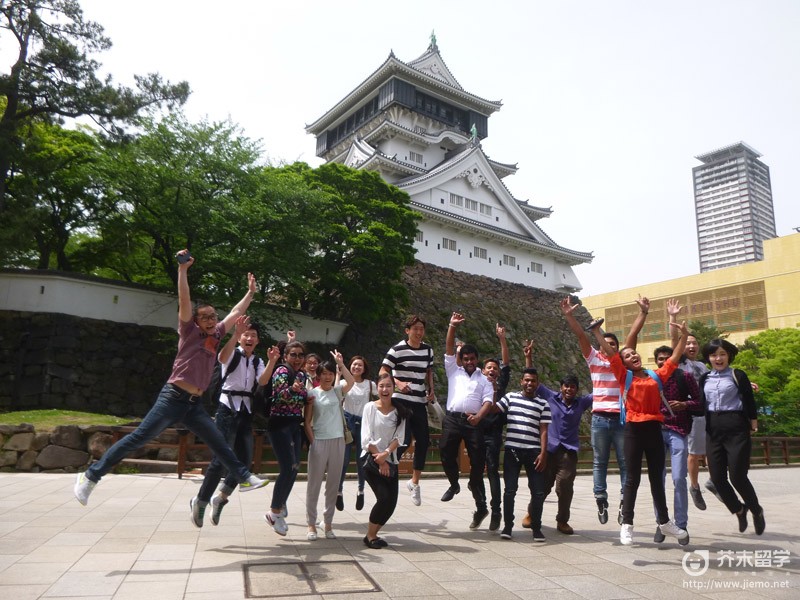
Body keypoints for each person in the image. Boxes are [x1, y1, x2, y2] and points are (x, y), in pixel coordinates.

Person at [74, 251, 268, 506]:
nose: (212, 320)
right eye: (206, 317)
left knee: (218, 442)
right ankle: (90, 476)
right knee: (139, 437)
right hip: (173, 397)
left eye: (213, 316)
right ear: (196, 321)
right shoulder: (189, 331)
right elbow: (184, 299)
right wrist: (183, 270)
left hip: (194, 404)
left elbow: (236, 310)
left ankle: (243, 476)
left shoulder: (219, 333)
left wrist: (251, 293)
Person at [594, 301, 690, 546]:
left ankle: (665, 522)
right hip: (633, 432)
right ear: (623, 363)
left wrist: (684, 336)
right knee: (632, 479)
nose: (632, 355)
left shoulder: (656, 375)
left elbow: (676, 356)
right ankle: (627, 524)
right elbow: (610, 352)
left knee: (657, 479)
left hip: (654, 431)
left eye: (633, 353)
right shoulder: (622, 376)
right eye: (627, 356)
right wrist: (596, 332)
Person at [191, 316, 282, 527]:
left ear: (258, 341)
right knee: (221, 458)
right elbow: (222, 357)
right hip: (227, 408)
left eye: (253, 336)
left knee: (244, 459)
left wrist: (271, 361)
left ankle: (220, 497)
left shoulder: (258, 360)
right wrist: (234, 333)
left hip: (246, 410)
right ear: (241, 337)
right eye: (246, 334)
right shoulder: (233, 353)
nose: (250, 338)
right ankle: (201, 499)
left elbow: (263, 381)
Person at [560, 296, 629, 526]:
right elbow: (581, 336)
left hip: (620, 418)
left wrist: (643, 314)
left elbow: (633, 338)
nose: (607, 346)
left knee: (624, 462)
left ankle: (624, 500)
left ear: (617, 348)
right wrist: (570, 315)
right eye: (604, 342)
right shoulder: (593, 359)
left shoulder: (621, 362)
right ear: (599, 346)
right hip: (600, 418)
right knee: (599, 461)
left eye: (612, 344)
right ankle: (601, 499)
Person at [700, 338, 765, 535]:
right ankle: (739, 509)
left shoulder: (738, 375)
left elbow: (749, 399)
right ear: (708, 358)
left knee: (737, 476)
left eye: (722, 354)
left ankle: (756, 510)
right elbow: (698, 402)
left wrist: (753, 423)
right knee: (717, 479)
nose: (718, 358)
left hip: (736, 427)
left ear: (728, 355)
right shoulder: (704, 378)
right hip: (713, 428)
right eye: (713, 355)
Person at [439, 312, 495, 529]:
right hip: (453, 419)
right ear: (461, 360)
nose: (469, 362)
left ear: (477, 359)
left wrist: (479, 417)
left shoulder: (484, 378)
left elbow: (489, 400)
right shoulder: (454, 371)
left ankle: (480, 504)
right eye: (466, 359)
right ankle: (454, 484)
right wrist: (452, 325)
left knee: (477, 462)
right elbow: (449, 347)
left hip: (474, 421)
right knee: (445, 449)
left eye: (472, 359)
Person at [379, 315, 435, 506]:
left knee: (424, 441)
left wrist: (432, 390)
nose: (419, 332)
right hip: (401, 400)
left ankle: (414, 482)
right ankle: (388, 470)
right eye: (415, 329)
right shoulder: (397, 349)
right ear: (407, 330)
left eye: (421, 329)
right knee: (402, 439)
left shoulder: (428, 350)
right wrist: (399, 383)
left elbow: (429, 371)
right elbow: (383, 371)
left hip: (419, 400)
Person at [650, 343, 701, 544]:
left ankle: (681, 524)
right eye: (660, 359)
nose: (663, 362)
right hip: (654, 432)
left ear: (674, 360)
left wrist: (684, 404)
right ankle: (662, 522)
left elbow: (699, 402)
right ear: (656, 362)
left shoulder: (684, 377)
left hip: (678, 431)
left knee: (679, 478)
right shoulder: (651, 378)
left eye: (667, 358)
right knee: (657, 479)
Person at [666, 300, 713, 510]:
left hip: (706, 412)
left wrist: (745, 384)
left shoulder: (702, 365)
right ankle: (694, 486)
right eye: (688, 343)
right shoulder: (679, 364)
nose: (691, 346)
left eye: (695, 343)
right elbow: (675, 338)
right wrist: (673, 318)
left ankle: (715, 481)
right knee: (694, 452)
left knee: (712, 449)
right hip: (689, 414)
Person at [495, 368, 551, 541]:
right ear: (521, 381)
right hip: (513, 450)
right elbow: (492, 409)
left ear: (537, 384)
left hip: (534, 452)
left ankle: (536, 527)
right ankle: (507, 527)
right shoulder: (510, 398)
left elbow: (544, 430)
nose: (529, 383)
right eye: (526, 380)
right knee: (510, 490)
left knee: (538, 492)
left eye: (533, 381)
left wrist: (543, 453)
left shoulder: (543, 404)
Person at [304, 350, 355, 540]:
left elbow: (351, 382)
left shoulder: (337, 391)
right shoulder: (312, 394)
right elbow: (307, 421)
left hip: (338, 441)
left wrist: (341, 364)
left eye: (330, 373)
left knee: (333, 484)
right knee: (314, 485)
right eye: (324, 373)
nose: (327, 377)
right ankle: (311, 524)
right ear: (318, 376)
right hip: (319, 441)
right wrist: (313, 442)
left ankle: (328, 523)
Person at [535, 375, 593, 535]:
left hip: (568, 452)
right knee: (543, 486)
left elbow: (599, 392)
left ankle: (562, 520)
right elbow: (535, 382)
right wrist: (528, 357)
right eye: (566, 386)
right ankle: (532, 513)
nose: (569, 389)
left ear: (577, 389)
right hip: (549, 450)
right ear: (561, 387)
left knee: (565, 487)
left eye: (572, 386)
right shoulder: (550, 397)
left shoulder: (581, 403)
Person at [264, 340, 309, 536]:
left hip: (294, 424)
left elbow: (302, 397)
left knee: (294, 467)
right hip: (280, 424)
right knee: (288, 467)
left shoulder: (301, 374)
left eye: (300, 355)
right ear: (285, 356)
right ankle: (274, 512)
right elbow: (278, 395)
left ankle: (280, 505)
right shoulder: (281, 371)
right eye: (293, 355)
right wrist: (293, 390)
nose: (297, 358)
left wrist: (304, 393)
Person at [361, 372, 408, 549]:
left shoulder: (400, 411)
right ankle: (370, 536)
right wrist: (380, 460)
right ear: (376, 389)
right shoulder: (370, 408)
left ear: (393, 389)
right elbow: (366, 438)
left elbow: (399, 437)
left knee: (391, 504)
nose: (385, 389)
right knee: (384, 498)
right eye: (381, 386)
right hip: (372, 461)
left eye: (388, 386)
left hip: (391, 460)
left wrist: (386, 454)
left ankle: (373, 533)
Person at [480, 324, 511, 532]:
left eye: (495, 368)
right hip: (476, 434)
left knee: (492, 471)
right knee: (475, 476)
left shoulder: (500, 388)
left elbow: (507, 362)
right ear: (483, 372)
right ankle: (481, 507)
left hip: (493, 436)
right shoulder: (476, 386)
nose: (492, 370)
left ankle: (496, 510)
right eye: (489, 368)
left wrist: (502, 339)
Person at [337, 355, 376, 512]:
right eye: (354, 365)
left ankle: (361, 491)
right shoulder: (343, 383)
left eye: (360, 365)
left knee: (362, 460)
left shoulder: (370, 384)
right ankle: (339, 491)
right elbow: (335, 395)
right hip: (346, 421)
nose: (356, 368)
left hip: (363, 423)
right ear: (349, 366)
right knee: (344, 460)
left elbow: (385, 394)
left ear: (364, 368)